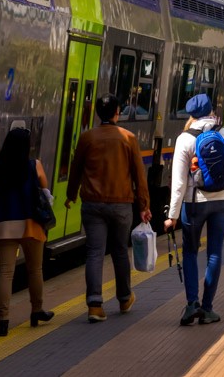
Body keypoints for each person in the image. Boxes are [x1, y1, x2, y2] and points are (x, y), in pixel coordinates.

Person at [66, 95, 151, 323]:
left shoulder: (87, 138)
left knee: (94, 253)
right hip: (121, 204)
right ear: (117, 112)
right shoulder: (128, 138)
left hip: (93, 205)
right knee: (120, 250)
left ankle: (94, 305)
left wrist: (70, 196)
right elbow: (139, 176)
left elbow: (75, 169)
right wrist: (144, 205)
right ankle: (124, 298)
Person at [164, 94, 224, 326]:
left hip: (195, 202)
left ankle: (192, 305)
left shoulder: (185, 139)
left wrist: (172, 216)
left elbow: (178, 184)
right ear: (211, 110)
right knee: (215, 252)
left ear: (191, 114)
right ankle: (208, 309)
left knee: (190, 251)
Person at [0, 127, 53, 337]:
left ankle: (3, 321)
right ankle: (36, 310)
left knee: (5, 273)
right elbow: (45, 190)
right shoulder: (34, 165)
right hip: (30, 223)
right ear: (27, 146)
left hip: (4, 223)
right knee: (35, 270)